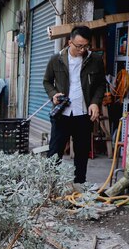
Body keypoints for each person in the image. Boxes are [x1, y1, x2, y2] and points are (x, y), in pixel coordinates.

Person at [43, 26, 106, 187]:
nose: (82, 50)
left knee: (82, 152)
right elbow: (47, 81)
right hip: (62, 113)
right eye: (79, 46)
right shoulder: (55, 59)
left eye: (86, 46)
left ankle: (79, 186)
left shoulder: (95, 60)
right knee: (55, 152)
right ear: (69, 42)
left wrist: (95, 102)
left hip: (83, 114)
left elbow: (100, 85)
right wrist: (54, 94)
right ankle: (51, 186)